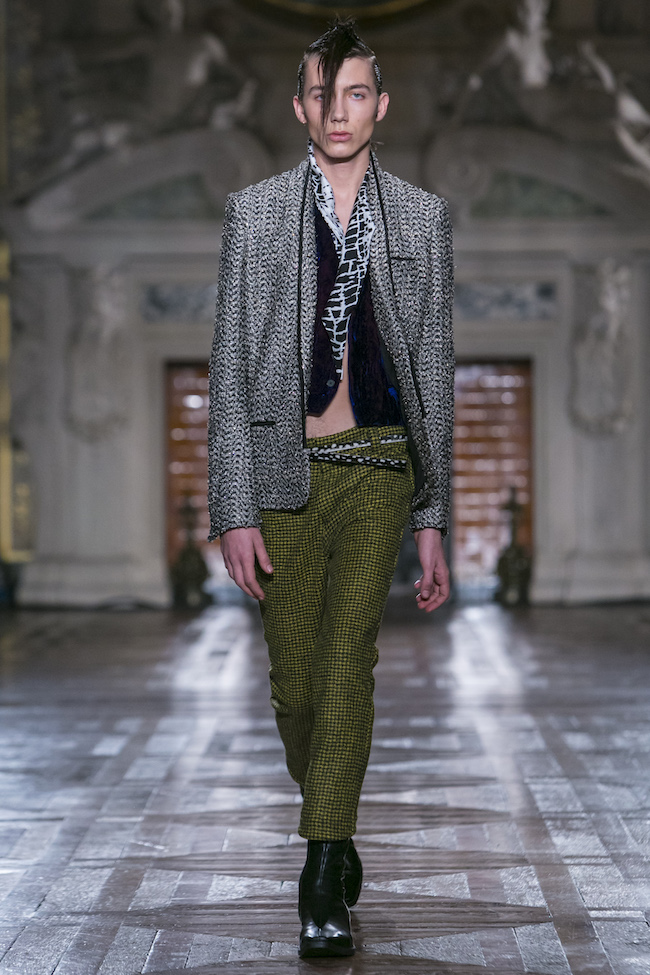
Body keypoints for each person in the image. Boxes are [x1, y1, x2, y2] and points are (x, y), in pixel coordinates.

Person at [208, 18, 454, 958]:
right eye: (324, 94)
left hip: (380, 463)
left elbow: (434, 370)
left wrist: (433, 514)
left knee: (349, 654)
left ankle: (318, 874)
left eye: (356, 94)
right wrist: (233, 508)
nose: (339, 111)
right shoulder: (256, 214)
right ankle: (337, 827)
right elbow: (230, 367)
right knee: (295, 684)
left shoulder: (421, 218)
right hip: (283, 472)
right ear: (300, 106)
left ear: (380, 106)